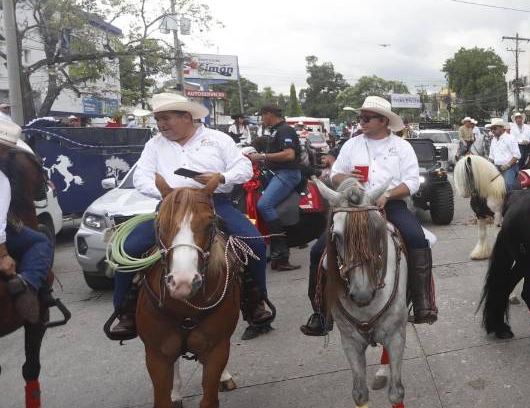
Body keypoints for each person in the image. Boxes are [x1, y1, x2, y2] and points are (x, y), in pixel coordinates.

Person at [107, 93, 273, 341]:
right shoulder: (154, 144)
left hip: (212, 203)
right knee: (129, 249)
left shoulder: (218, 139)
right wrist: (170, 194)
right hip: (170, 206)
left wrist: (221, 178)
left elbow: (244, 168)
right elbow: (141, 176)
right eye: (157, 119)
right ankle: (124, 311)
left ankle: (255, 302)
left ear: (186, 117)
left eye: (165, 118)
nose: (160, 125)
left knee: (254, 242)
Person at [301, 96, 437, 335]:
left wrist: (388, 195)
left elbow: (412, 182)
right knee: (317, 250)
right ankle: (320, 312)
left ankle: (423, 303)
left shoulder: (402, 147)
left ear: (384, 121)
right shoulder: (351, 145)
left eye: (366, 118)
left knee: (417, 239)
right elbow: (335, 175)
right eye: (360, 118)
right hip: (353, 205)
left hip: (390, 203)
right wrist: (347, 178)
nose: (361, 122)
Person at [0, 119, 54, 325]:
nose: (4, 155)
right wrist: (3, 255)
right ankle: (28, 285)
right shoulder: (1, 180)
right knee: (40, 241)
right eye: (4, 150)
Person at [247, 104, 303, 272]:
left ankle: (281, 255)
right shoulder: (275, 131)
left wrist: (262, 156)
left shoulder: (285, 130)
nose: (262, 119)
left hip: (288, 173)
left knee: (264, 205)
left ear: (269, 114)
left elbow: (289, 154)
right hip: (275, 172)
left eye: (262, 116)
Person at [488, 118, 522, 191]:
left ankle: (509, 201)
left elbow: (517, 155)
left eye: (494, 128)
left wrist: (508, 165)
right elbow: (491, 157)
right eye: (491, 129)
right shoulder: (493, 140)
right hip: (496, 167)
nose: (492, 131)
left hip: (510, 167)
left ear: (502, 128)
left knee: (507, 184)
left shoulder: (510, 138)